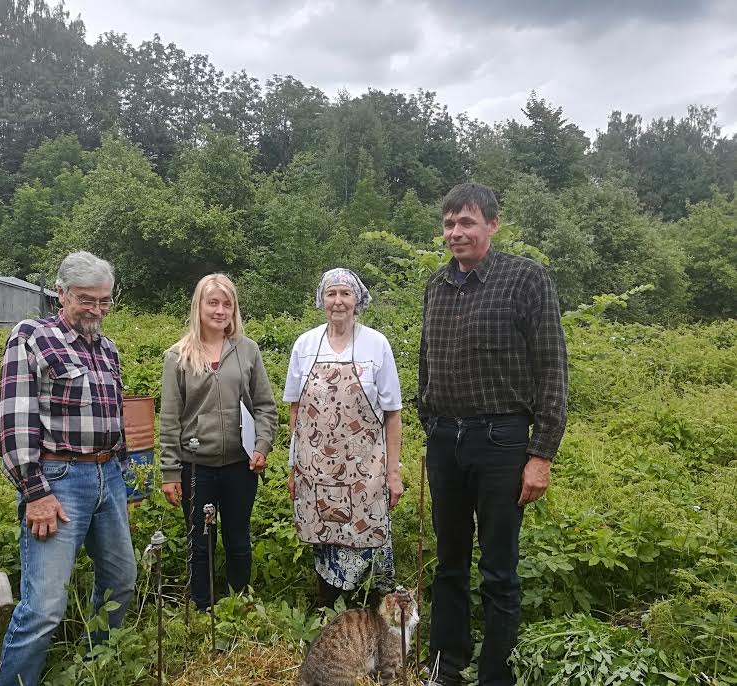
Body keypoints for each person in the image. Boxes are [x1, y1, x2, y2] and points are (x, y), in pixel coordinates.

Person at [418, 183, 568, 686]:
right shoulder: (435, 287)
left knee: (498, 569)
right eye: (449, 224)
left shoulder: (525, 279)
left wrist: (541, 453)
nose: (456, 232)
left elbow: (551, 369)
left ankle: (496, 676)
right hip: (444, 440)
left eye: (467, 222)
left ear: (492, 225)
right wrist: (430, 425)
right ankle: (447, 668)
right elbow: (426, 364)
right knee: (448, 564)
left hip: (502, 440)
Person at [0, 251, 137, 686]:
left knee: (121, 580)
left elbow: (115, 420)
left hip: (106, 477)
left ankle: (92, 667)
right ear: (61, 293)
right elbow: (13, 421)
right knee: (44, 608)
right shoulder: (31, 337)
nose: (97, 309)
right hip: (57, 481)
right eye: (86, 300)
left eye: (105, 300)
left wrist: (122, 483)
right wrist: (35, 492)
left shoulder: (106, 349)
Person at [285, 268, 404, 608]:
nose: (338, 301)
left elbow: (393, 414)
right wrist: (294, 467)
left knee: (368, 537)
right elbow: (295, 411)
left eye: (345, 294)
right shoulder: (305, 345)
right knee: (325, 540)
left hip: (366, 471)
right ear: (322, 300)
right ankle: (329, 610)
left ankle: (370, 612)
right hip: (316, 470)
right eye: (331, 294)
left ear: (357, 300)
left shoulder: (376, 344)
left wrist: (392, 473)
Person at [159, 274, 278, 611]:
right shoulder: (178, 356)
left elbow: (265, 406)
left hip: (240, 465)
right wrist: (170, 471)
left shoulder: (248, 350)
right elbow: (169, 419)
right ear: (199, 305)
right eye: (213, 302)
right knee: (201, 542)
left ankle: (238, 604)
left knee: (238, 538)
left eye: (227, 303)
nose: (220, 310)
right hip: (196, 467)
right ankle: (202, 606)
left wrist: (262, 446)